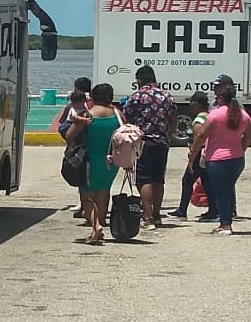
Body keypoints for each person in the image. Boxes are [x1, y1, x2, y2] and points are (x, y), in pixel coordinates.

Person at [189, 81, 251, 235]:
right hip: (237, 159)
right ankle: (227, 220)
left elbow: (201, 134)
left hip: (217, 159)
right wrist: (240, 149)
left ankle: (225, 224)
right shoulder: (243, 115)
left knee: (221, 191)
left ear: (221, 98)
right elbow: (249, 136)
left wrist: (193, 153)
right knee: (228, 189)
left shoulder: (216, 114)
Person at [65, 83, 123, 244]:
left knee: (87, 197)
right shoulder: (117, 114)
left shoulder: (87, 115)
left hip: (90, 159)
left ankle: (96, 226)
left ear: (93, 97)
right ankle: (100, 222)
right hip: (111, 160)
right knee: (103, 192)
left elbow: (69, 136)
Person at [123, 65, 176, 231]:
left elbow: (126, 117)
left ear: (139, 80)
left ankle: (147, 218)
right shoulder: (167, 96)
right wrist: (168, 134)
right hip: (162, 142)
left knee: (144, 180)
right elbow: (173, 119)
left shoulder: (137, 97)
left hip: (143, 143)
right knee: (158, 179)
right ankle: (157, 214)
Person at [165, 91, 214, 220]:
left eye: (191, 102)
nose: (190, 105)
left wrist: (192, 156)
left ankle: (182, 211)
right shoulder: (209, 116)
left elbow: (199, 138)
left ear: (197, 104)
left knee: (187, 181)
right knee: (207, 182)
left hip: (199, 155)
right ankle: (214, 210)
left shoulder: (199, 120)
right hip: (206, 154)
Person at [58, 77, 92, 217]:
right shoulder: (91, 103)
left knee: (80, 175)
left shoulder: (71, 105)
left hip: (76, 145)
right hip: (89, 143)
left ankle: (84, 206)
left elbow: (62, 124)